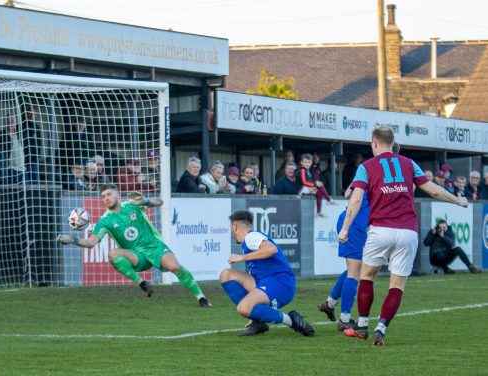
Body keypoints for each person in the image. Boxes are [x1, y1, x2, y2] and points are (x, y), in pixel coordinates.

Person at [338, 126, 468, 346]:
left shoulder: (366, 166)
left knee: (367, 277)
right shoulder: (409, 163)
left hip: (380, 230)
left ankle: (362, 325)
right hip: (407, 231)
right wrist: (458, 200)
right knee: (396, 285)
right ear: (393, 142)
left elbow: (356, 199)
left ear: (374, 143)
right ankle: (381, 328)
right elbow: (434, 190)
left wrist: (345, 228)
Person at [57, 184, 212, 307]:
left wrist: (145, 201)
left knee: (175, 268)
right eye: (103, 196)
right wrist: (72, 239)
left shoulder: (132, 205)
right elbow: (91, 243)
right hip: (136, 255)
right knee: (112, 253)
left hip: (154, 246)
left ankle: (201, 298)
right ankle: (143, 283)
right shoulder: (104, 221)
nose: (106, 198)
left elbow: (160, 202)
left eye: (109, 194)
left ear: (117, 194)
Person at [219, 210, 315, 337]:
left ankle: (291, 320)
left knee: (243, 308)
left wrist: (241, 257)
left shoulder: (251, 237)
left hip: (280, 282)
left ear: (235, 226)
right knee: (226, 275)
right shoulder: (248, 240)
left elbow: (271, 249)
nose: (232, 232)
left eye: (231, 228)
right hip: (265, 280)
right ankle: (257, 322)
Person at [317, 186, 369, 332]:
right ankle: (345, 319)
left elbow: (347, 194)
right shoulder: (378, 178)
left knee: (354, 270)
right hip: (356, 224)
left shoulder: (365, 173)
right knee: (354, 272)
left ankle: (330, 304)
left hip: (351, 220)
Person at [22, 105, 41, 183]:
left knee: (36, 181)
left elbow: (39, 143)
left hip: (34, 159)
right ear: (26, 114)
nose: (32, 116)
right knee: (25, 182)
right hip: (24, 159)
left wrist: (38, 153)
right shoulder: (22, 126)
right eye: (30, 114)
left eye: (34, 114)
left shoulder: (37, 127)